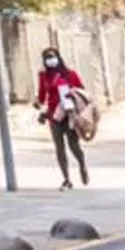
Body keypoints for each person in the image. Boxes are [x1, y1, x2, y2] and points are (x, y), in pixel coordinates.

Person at [34, 48, 92, 189]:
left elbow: (82, 91)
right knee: (59, 148)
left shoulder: (70, 74)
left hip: (70, 115)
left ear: (59, 58)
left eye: (52, 57)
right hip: (54, 116)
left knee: (73, 145)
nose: (50, 60)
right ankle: (66, 179)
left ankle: (82, 164)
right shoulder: (43, 76)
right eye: (47, 58)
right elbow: (42, 96)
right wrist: (38, 106)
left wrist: (73, 95)